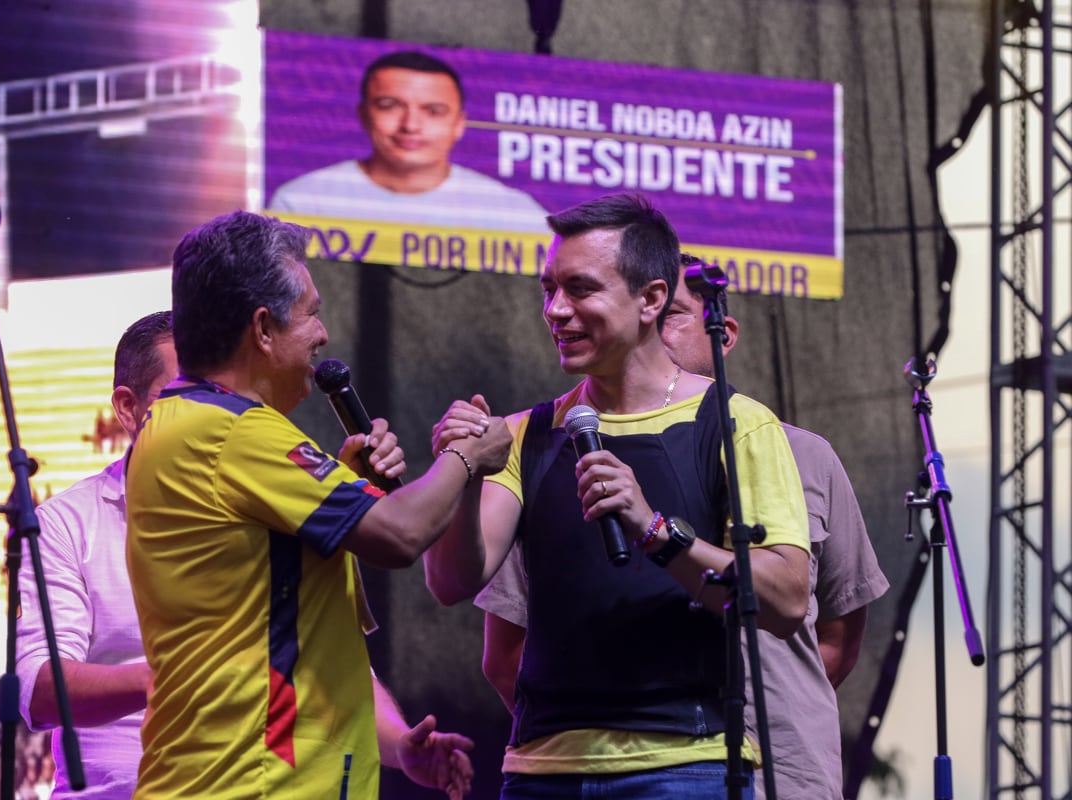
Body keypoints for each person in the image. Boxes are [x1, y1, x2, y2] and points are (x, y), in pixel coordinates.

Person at [423, 192, 811, 798]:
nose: (556, 309)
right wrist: (465, 472)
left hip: (685, 766)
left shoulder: (736, 422)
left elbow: (786, 598)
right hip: (540, 770)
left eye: (580, 289)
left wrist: (656, 530)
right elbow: (451, 583)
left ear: (652, 299)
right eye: (548, 289)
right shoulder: (527, 433)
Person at [125, 211, 513, 799]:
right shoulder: (231, 431)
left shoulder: (190, 424)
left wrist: (395, 743)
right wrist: (468, 456)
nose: (323, 335)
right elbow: (402, 535)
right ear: (262, 328)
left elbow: (309, 646)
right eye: (311, 312)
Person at [17, 310, 482, 799]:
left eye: (212, 399)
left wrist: (399, 746)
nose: (198, 415)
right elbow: (39, 691)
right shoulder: (68, 524)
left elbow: (328, 659)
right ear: (128, 408)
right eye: (177, 398)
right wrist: (171, 678)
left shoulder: (263, 492)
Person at [473, 256, 891, 799]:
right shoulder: (566, 449)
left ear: (723, 333)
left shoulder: (805, 453)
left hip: (786, 767)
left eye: (672, 315)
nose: (654, 331)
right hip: (628, 764)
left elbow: (838, 629)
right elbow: (506, 654)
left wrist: (769, 714)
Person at [268, 50, 549, 233]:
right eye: (390, 106)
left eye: (433, 111)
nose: (410, 126)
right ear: (364, 115)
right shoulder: (302, 202)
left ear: (459, 124)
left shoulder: (515, 213)